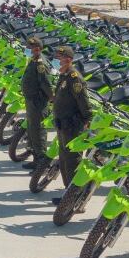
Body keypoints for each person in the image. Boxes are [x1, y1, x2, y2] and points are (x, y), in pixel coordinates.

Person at [52, 46, 92, 198]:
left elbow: (84, 102)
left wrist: (87, 119)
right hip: (62, 125)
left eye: (59, 57)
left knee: (72, 162)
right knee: (64, 161)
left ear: (68, 60)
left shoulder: (74, 78)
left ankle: (75, 198)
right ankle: (67, 195)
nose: (56, 60)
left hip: (72, 126)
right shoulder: (64, 75)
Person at [20, 38, 54, 176]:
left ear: (38, 49)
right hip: (31, 101)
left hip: (38, 103)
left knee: (38, 132)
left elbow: (46, 84)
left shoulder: (41, 64)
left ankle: (42, 165)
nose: (27, 49)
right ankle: (35, 159)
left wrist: (52, 99)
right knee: (32, 130)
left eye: (30, 47)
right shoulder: (34, 59)